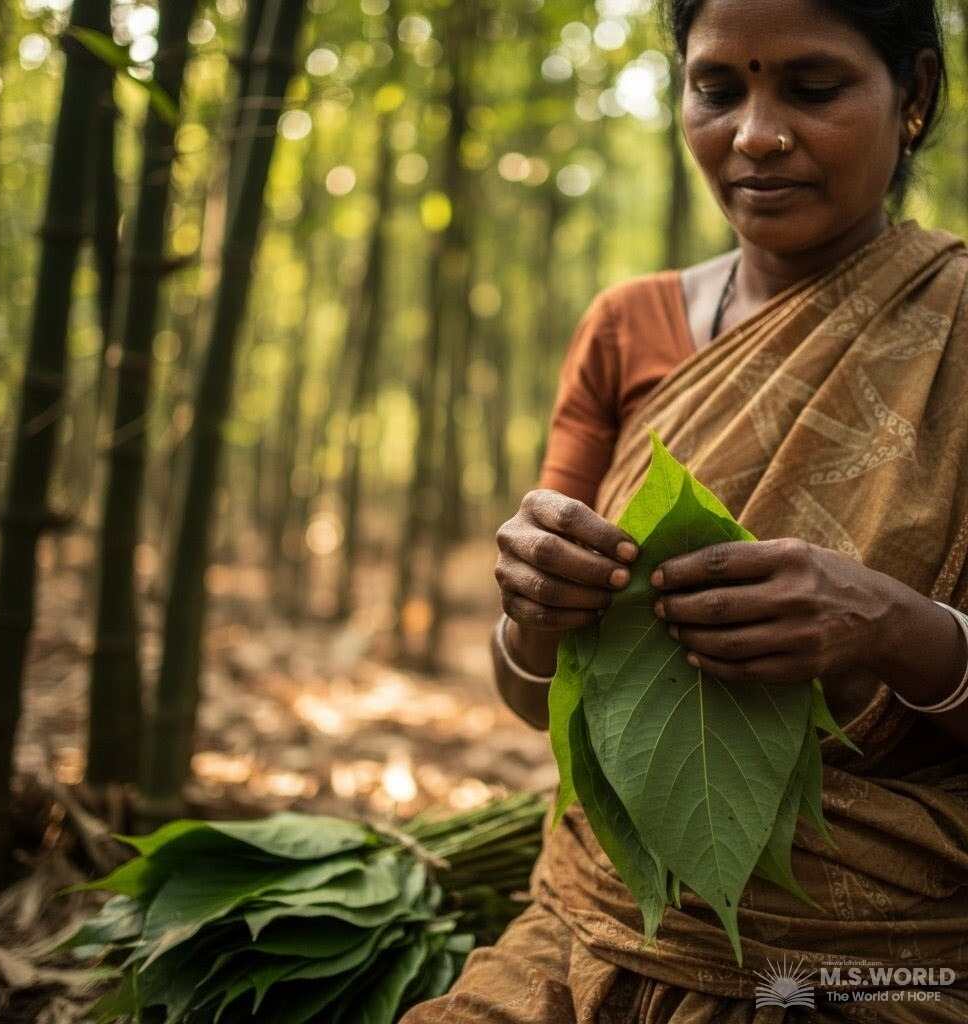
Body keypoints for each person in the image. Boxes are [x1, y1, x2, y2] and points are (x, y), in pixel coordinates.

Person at [400, 0, 968, 1021]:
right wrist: (532, 607)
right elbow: (534, 698)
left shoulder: (957, 325)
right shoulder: (628, 329)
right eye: (717, 89)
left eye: (812, 87)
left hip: (884, 956)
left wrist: (886, 623)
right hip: (595, 923)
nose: (754, 134)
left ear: (913, 96)